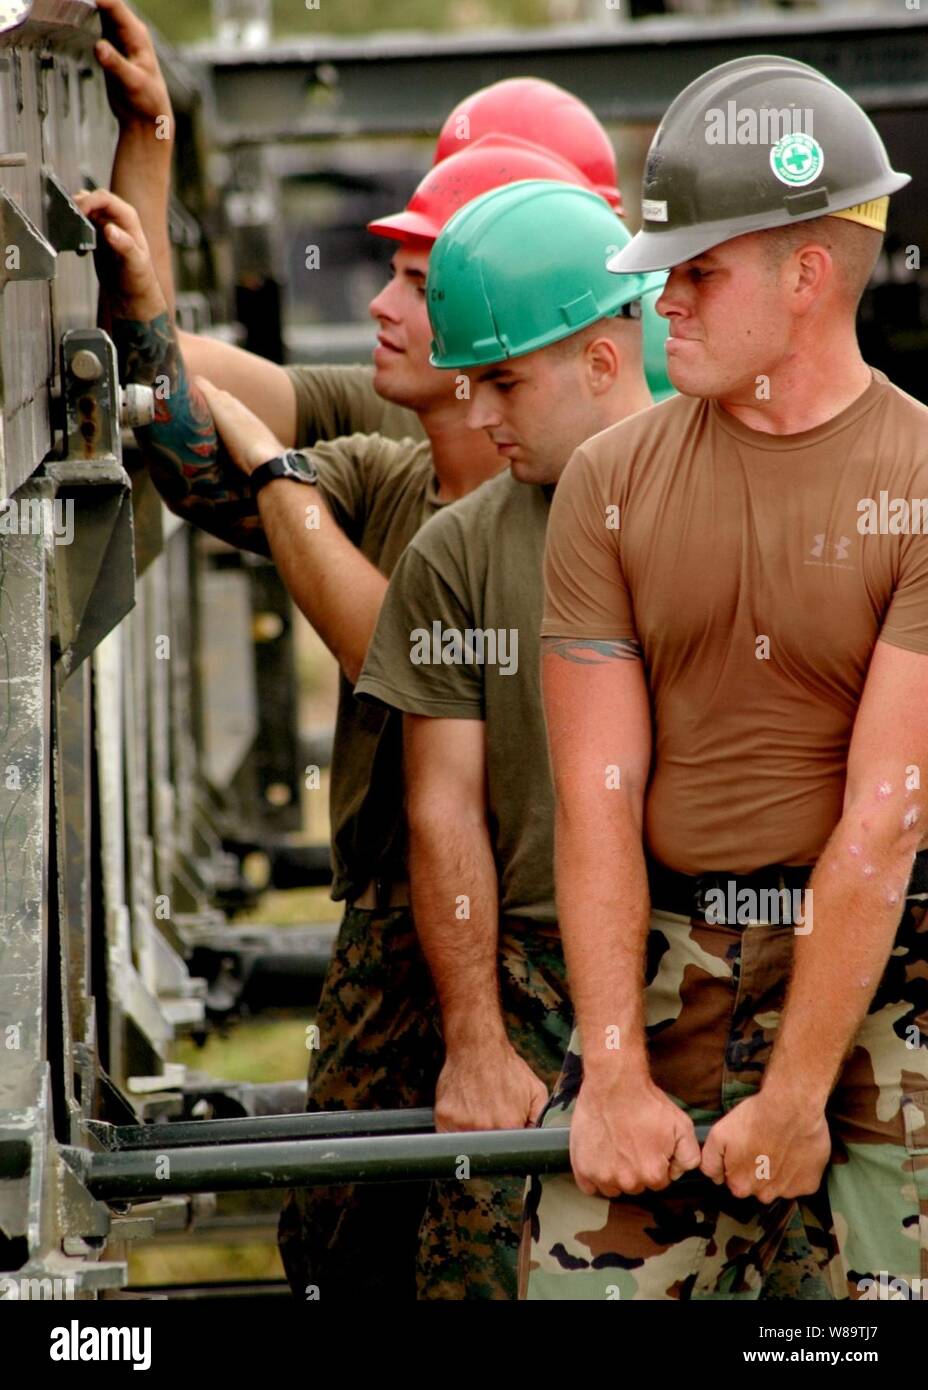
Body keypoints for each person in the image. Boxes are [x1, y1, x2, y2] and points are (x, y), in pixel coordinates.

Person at [83, 11, 630, 1299]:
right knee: (342, 1248)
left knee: (500, 1254)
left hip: (541, 947)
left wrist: (279, 490)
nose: (386, 305)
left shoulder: (592, 498)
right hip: (406, 922)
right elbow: (169, 393)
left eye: (421, 277)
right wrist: (147, 153)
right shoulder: (389, 449)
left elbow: (411, 647)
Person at [524, 54, 928, 1300]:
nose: (662, 307)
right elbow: (595, 796)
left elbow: (883, 817)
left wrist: (800, 1094)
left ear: (806, 275)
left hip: (879, 985)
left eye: (695, 273)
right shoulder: (609, 483)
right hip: (659, 965)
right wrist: (610, 1070)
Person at [352, 180, 665, 1296]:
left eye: (502, 380)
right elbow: (443, 808)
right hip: (538, 974)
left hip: (740, 953)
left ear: (598, 355)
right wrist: (478, 1039)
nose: (477, 413)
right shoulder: (458, 552)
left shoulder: (747, 497)